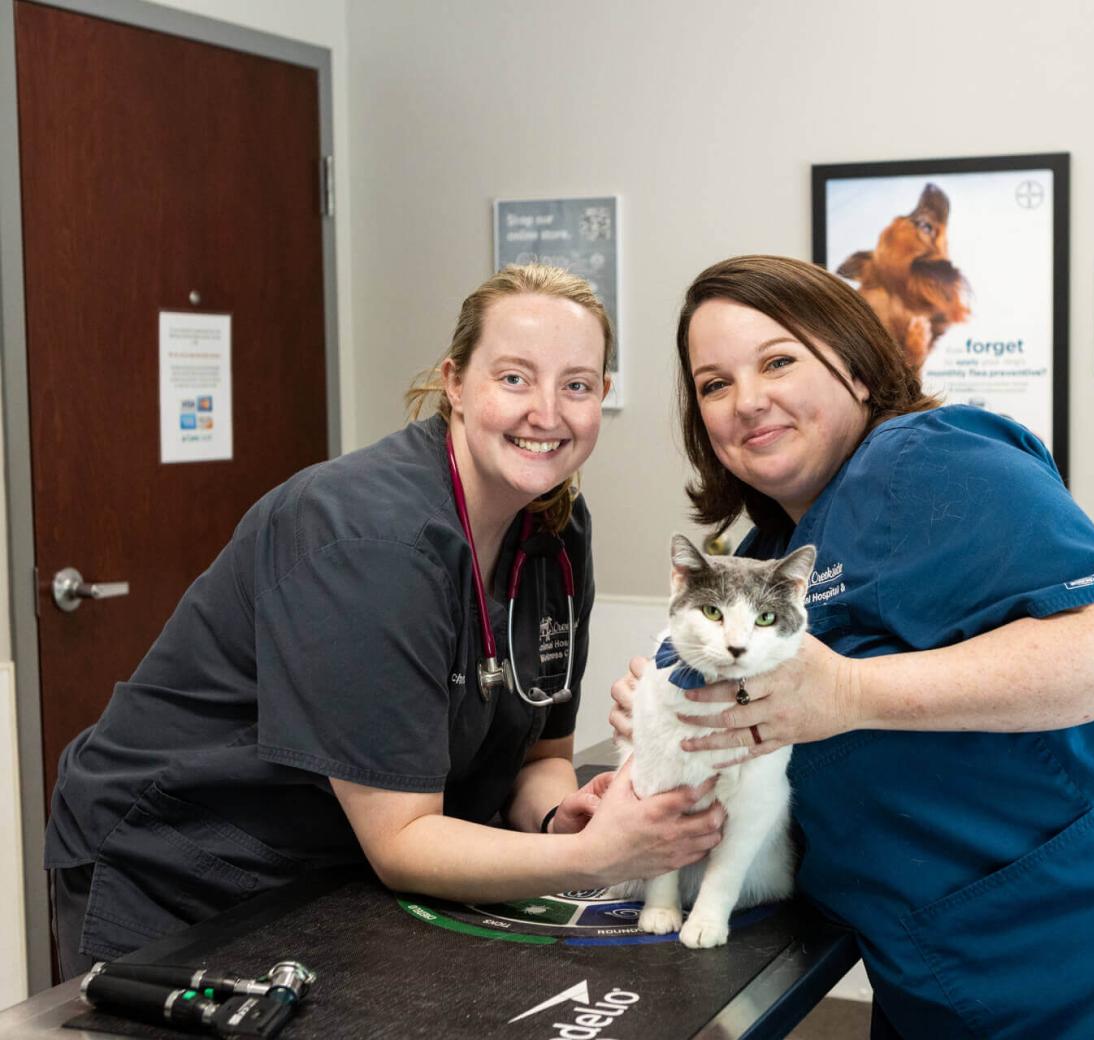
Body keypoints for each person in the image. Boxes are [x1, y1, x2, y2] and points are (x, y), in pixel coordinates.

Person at [611, 255, 1094, 1039]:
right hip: (943, 978)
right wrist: (664, 734)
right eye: (714, 384)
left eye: (777, 361)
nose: (748, 401)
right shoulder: (768, 551)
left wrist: (850, 695)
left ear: (859, 371)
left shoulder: (928, 459)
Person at [45, 263, 724, 980]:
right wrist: (597, 859)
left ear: (602, 398)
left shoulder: (556, 528)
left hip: (347, 872)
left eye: (577, 384)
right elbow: (401, 840)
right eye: (515, 377)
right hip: (184, 865)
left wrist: (565, 820)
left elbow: (541, 760)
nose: (547, 412)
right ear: (455, 383)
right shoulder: (368, 538)